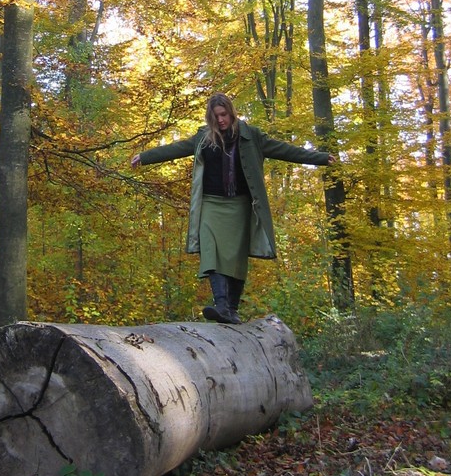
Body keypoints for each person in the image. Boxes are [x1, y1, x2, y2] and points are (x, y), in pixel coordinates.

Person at [130, 92, 335, 324]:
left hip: (239, 205)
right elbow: (177, 148)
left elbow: (285, 150)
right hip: (211, 203)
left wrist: (319, 157)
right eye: (216, 116)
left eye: (224, 115)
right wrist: (145, 157)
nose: (220, 120)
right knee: (210, 249)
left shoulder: (251, 136)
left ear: (231, 113)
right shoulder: (204, 138)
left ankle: (232, 310)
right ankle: (221, 305)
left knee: (237, 258)